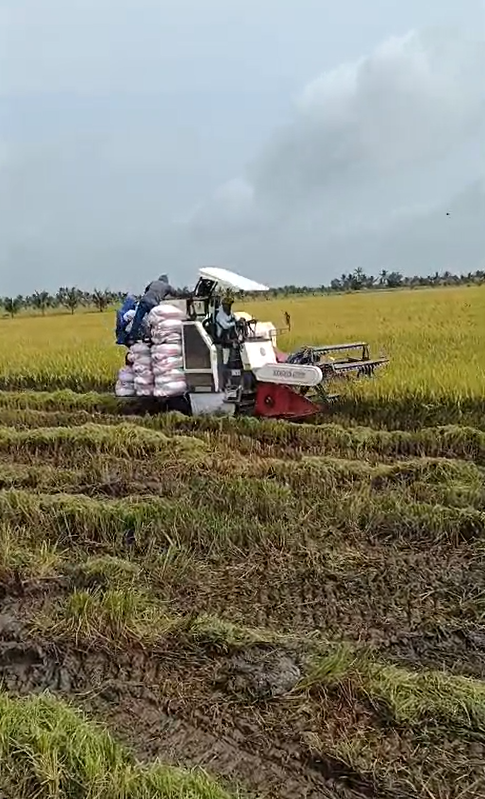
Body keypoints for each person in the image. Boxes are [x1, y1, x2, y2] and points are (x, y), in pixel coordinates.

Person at [128, 274, 178, 342]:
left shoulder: (153, 282)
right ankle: (153, 336)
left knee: (137, 319)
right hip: (153, 304)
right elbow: (175, 293)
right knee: (154, 321)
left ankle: (132, 336)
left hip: (144, 301)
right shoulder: (167, 286)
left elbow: (146, 290)